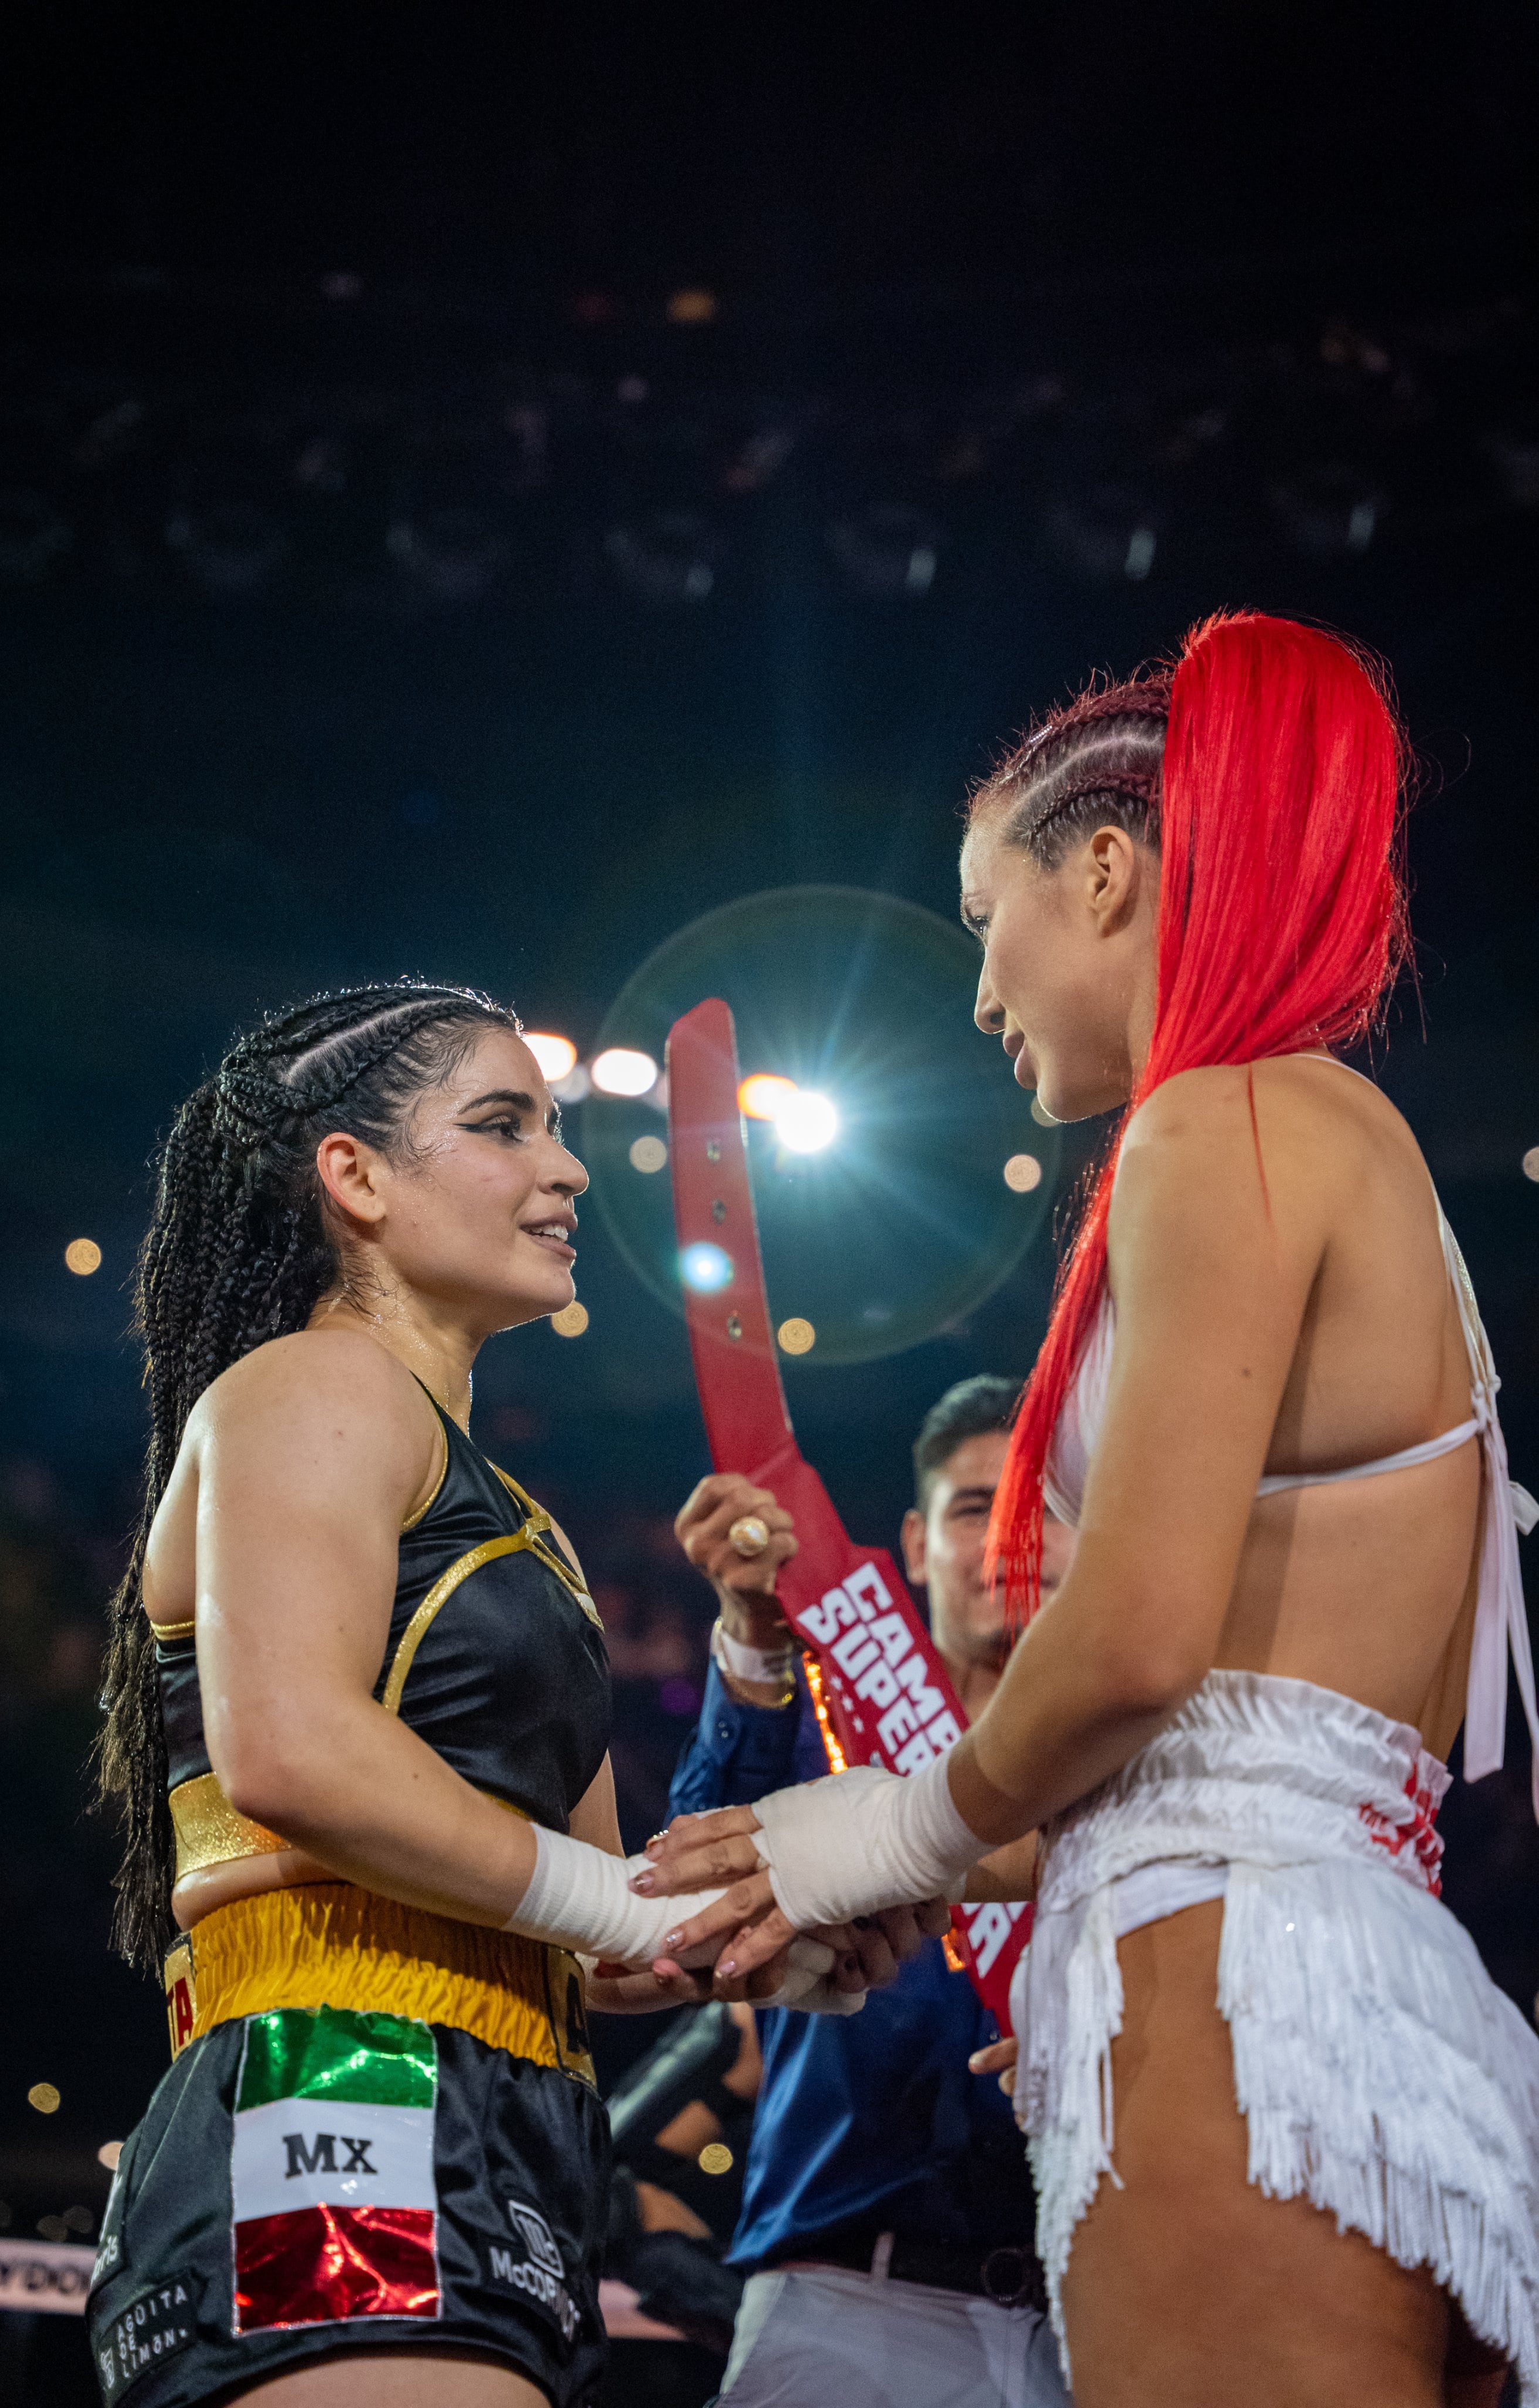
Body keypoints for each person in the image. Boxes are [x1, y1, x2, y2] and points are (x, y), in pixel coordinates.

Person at [634, 615, 1539, 2407]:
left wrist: (890, 1835)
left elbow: (1132, 1644)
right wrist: (944, 1876)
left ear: (1105, 874)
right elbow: (1249, 1725)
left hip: (1230, 1987)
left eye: (986, 918)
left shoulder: (1219, 1126)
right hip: (1322, 1973)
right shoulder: (1330, 1139)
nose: (980, 993)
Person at [88, 981, 872, 2408]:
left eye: (554, 1127)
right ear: (355, 1175)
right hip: (344, 2068)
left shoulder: (522, 1519)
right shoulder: (312, 1385)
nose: (566, 1167)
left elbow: (597, 1921)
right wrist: (620, 1908)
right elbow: (293, 1751)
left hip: (518, 2109)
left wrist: (768, 1934)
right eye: (503, 1124)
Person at [664, 1375, 1073, 2407]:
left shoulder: (1132, 1769)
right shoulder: (833, 1734)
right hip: (846, 2304)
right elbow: (690, 1894)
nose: (1010, 1537)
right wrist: (754, 1631)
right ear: (917, 1543)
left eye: (1043, 1506)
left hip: (1095, 2321)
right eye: (975, 1508)